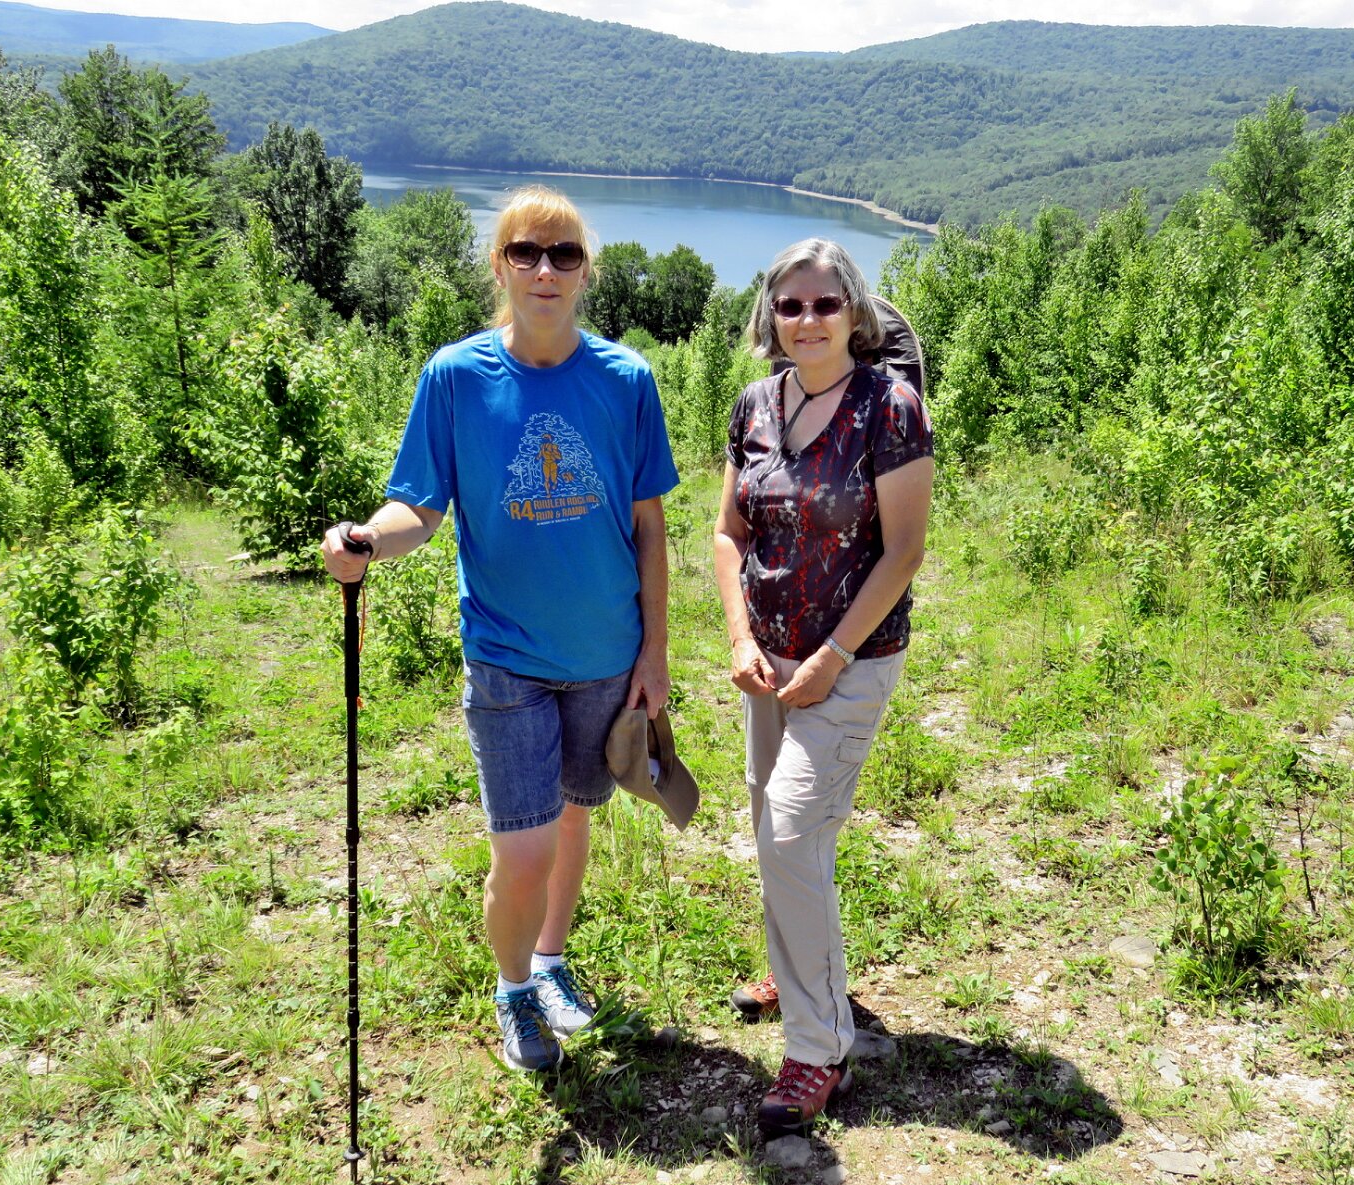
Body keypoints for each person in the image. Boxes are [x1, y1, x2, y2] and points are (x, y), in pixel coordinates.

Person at [322, 186, 679, 1073]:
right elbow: (418, 508)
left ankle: (550, 962)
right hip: (506, 659)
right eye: (526, 251)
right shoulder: (455, 377)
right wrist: (367, 540)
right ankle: (513, 989)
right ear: (500, 265)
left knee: (572, 817)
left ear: (586, 271)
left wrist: (655, 652)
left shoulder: (626, 380)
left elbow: (649, 525)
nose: (545, 269)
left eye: (565, 254)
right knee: (522, 849)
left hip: (605, 655)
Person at [713, 238, 934, 1133]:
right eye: (790, 305)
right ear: (771, 316)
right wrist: (740, 635)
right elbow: (729, 533)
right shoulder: (755, 405)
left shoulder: (890, 408)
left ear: (855, 312)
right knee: (783, 833)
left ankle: (819, 1050)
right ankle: (798, 968)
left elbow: (904, 550)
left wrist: (832, 657)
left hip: (850, 661)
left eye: (824, 304)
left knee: (790, 832)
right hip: (767, 661)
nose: (807, 320)